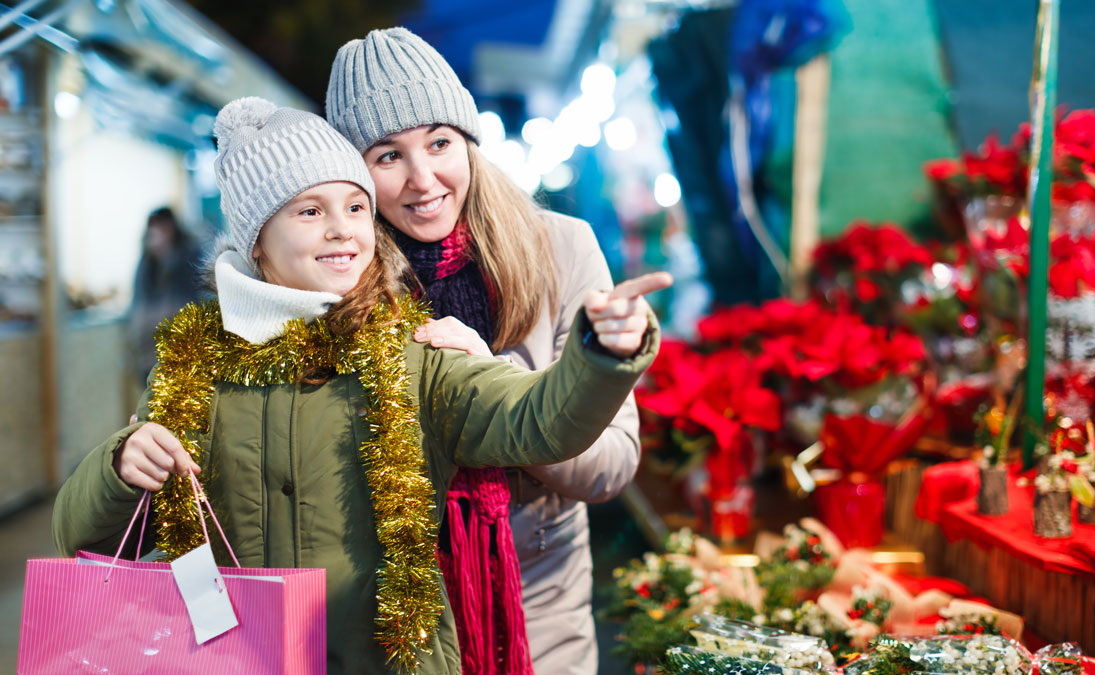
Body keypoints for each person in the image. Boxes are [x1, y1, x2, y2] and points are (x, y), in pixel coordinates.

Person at [52, 97, 667, 675]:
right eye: (311, 211)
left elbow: (541, 420)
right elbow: (81, 536)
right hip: (231, 656)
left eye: (354, 207)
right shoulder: (189, 367)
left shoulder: (412, 350)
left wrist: (601, 351)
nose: (343, 229)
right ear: (257, 238)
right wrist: (119, 467)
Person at [326, 28, 643, 675]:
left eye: (439, 143)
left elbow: (614, 463)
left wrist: (492, 382)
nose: (423, 180)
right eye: (388, 156)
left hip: (541, 611)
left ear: (469, 141)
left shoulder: (561, 248)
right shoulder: (338, 283)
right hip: (394, 627)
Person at [128, 206, 203, 382]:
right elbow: (137, 307)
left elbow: (194, 303)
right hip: (148, 357)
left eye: (161, 228)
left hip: (181, 356)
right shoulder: (146, 264)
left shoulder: (190, 258)